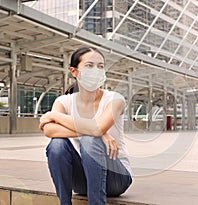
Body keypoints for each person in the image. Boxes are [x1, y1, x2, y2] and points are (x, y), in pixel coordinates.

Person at [39, 47, 132, 205]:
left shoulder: (115, 99)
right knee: (57, 144)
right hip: (83, 179)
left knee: (90, 139)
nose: (96, 70)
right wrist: (99, 133)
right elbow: (49, 130)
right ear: (74, 71)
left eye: (100, 66)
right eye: (89, 66)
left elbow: (97, 129)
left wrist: (54, 116)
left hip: (116, 177)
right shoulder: (64, 102)